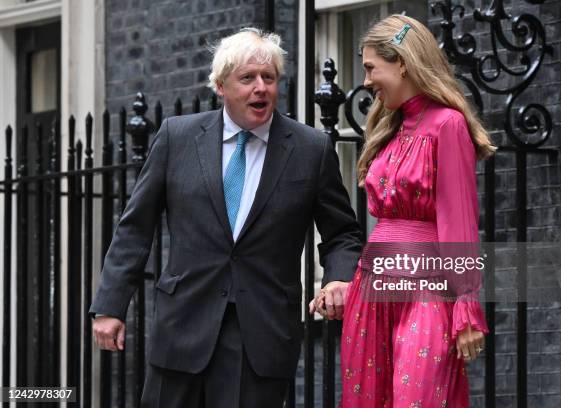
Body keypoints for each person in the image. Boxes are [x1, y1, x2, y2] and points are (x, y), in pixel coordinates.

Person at [89, 27, 362, 408]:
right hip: (182, 327)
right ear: (220, 85)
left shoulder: (310, 148)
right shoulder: (177, 137)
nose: (261, 88)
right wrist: (110, 306)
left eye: (269, 78)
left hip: (261, 336)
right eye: (247, 78)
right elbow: (135, 227)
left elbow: (343, 233)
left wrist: (339, 278)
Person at [311, 15, 495, 407]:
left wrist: (466, 304)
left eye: (370, 68)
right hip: (372, 287)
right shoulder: (389, 129)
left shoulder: (448, 125)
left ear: (403, 63)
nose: (365, 81)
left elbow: (458, 221)